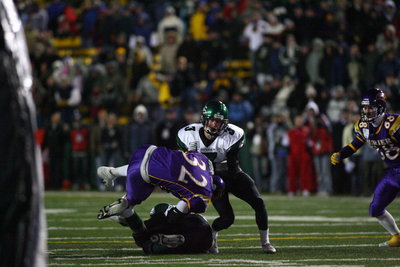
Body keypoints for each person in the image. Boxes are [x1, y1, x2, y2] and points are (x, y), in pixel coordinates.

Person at [176, 100, 276, 254]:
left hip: (230, 174)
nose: (216, 125)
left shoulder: (232, 135)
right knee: (227, 219)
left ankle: (266, 242)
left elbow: (232, 168)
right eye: (213, 120)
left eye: (219, 121)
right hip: (210, 179)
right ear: (204, 119)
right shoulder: (188, 134)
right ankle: (212, 234)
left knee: (258, 202)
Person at [96, 145, 224, 240]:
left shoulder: (203, 159)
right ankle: (125, 206)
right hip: (146, 175)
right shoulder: (204, 197)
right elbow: (174, 216)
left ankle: (113, 172)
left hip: (147, 151)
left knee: (142, 169)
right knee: (130, 207)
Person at [331, 88, 400, 247]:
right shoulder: (363, 126)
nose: (367, 111)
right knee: (375, 208)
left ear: (381, 107)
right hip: (392, 172)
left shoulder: (394, 123)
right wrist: (341, 154)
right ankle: (397, 236)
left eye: (371, 108)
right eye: (365, 108)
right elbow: (355, 145)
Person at [131, 203, 213, 254]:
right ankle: (196, 246)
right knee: (192, 246)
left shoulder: (163, 215)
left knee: (148, 246)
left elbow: (141, 235)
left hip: (189, 228)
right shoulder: (182, 209)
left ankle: (168, 245)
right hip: (206, 238)